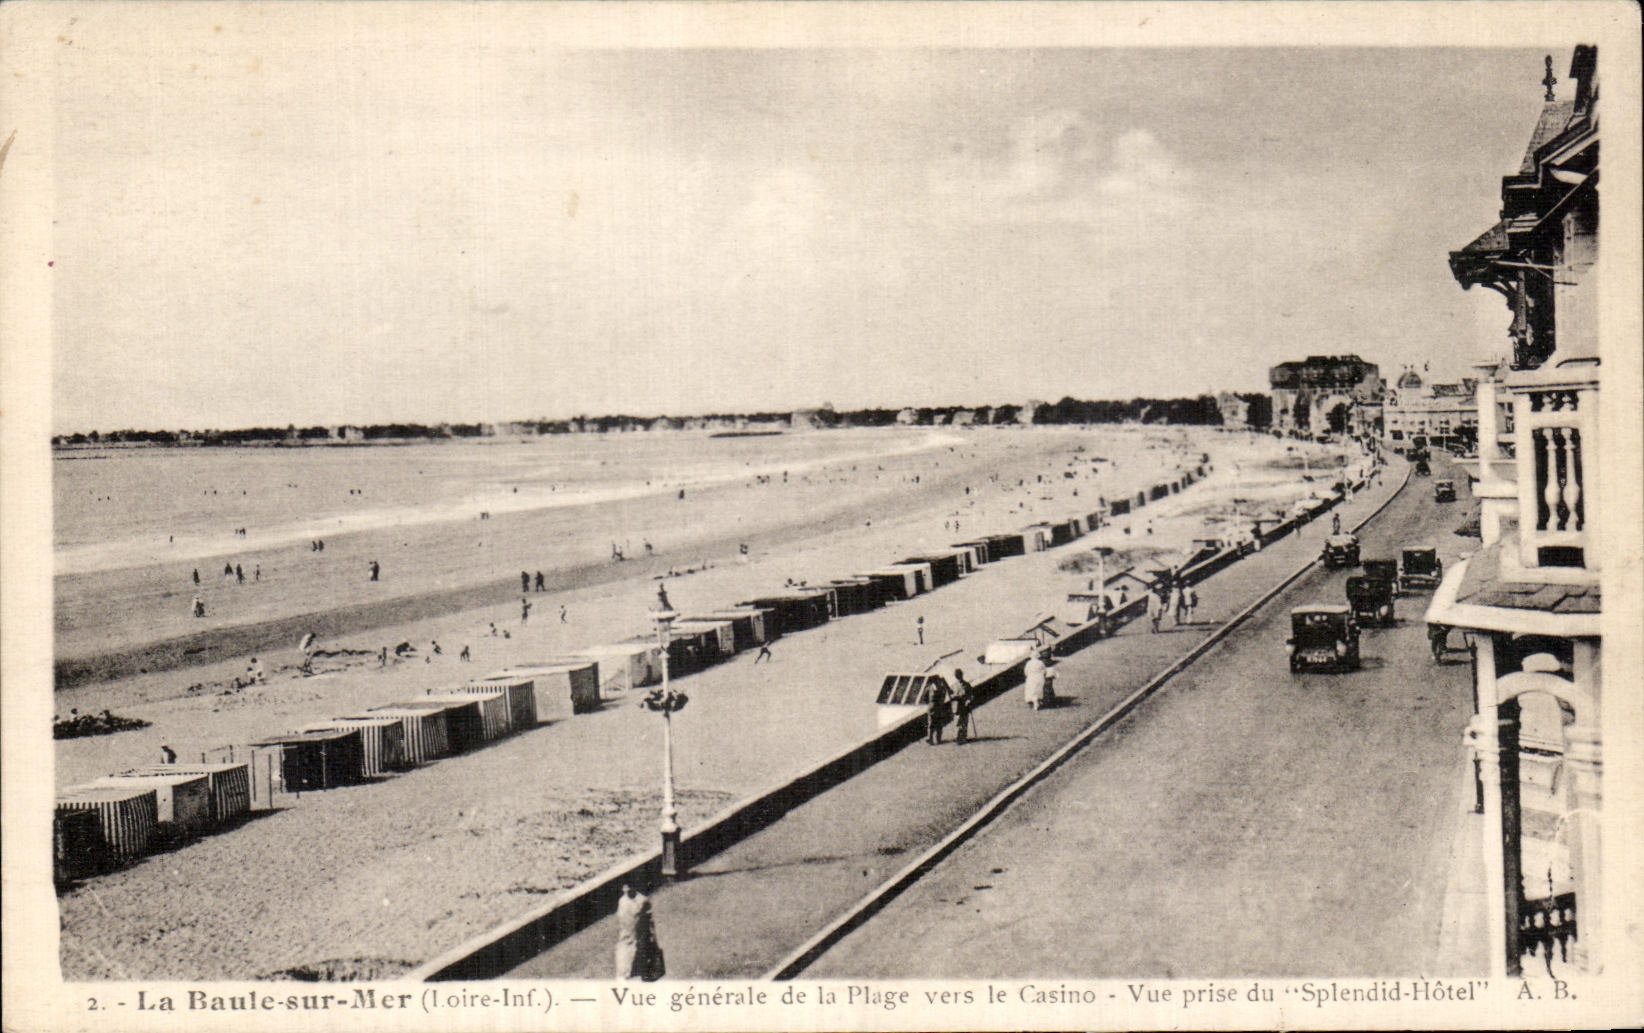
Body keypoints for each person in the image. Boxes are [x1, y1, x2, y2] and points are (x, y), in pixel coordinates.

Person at [615, 883, 665, 981]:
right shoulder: (622, 901)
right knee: (625, 953)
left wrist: (653, 936)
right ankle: (625, 974)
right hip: (627, 933)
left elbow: (650, 921)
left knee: (643, 952)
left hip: (640, 933)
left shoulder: (642, 900)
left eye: (629, 886)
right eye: (625, 887)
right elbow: (622, 919)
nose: (627, 889)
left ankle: (644, 972)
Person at [950, 670, 974, 744]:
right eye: (957, 676)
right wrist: (954, 696)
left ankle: (963, 738)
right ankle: (958, 737)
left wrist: (969, 701)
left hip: (965, 706)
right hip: (957, 707)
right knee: (958, 722)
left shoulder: (967, 685)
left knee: (964, 722)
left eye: (959, 675)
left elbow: (971, 695)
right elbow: (950, 695)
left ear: (962, 675)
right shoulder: (953, 685)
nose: (958, 677)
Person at [925, 680, 950, 745]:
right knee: (935, 723)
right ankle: (934, 739)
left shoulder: (932, 687)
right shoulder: (937, 688)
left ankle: (934, 739)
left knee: (935, 723)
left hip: (935, 706)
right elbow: (925, 698)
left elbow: (925, 697)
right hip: (935, 706)